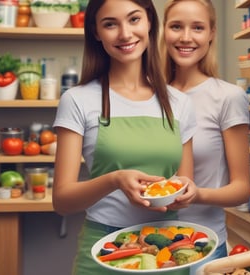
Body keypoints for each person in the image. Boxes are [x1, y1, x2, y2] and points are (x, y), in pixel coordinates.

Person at [52, 0, 197, 274]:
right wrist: (114, 180)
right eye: (110, 24)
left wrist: (188, 191)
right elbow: (62, 201)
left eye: (133, 19)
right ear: (96, 32)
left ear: (150, 22)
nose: (125, 34)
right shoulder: (78, 100)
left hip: (168, 249)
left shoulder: (179, 103)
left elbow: (183, 184)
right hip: (104, 251)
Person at [161, 0, 250, 268]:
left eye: (197, 27)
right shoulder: (149, 96)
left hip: (203, 246)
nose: (185, 37)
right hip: (150, 243)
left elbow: (241, 189)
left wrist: (195, 194)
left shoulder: (227, 97)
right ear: (164, 31)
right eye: (176, 26)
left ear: (211, 33)